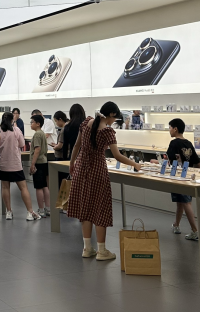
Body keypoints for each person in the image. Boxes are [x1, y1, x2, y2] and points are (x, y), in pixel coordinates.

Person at [68, 101, 141, 260]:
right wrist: (135, 164)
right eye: (115, 118)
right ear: (111, 115)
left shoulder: (86, 123)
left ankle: (87, 248)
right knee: (100, 208)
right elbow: (117, 156)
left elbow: (76, 146)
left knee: (85, 208)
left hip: (81, 169)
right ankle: (102, 251)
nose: (114, 121)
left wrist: (72, 163)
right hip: (97, 171)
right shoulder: (107, 132)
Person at [0, 112, 40, 221]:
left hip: (3, 163)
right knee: (23, 188)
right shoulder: (16, 130)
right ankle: (30, 212)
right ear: (12, 120)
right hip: (15, 164)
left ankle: (8, 211)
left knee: (5, 187)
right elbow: (22, 144)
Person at [167, 118, 200, 241]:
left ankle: (195, 231)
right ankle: (176, 225)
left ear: (175, 129)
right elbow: (197, 163)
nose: (169, 130)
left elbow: (170, 161)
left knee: (186, 202)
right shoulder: (189, 143)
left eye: (170, 128)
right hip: (189, 176)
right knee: (181, 201)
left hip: (178, 176)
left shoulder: (174, 143)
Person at [29, 115, 50, 217]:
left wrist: (33, 164)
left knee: (39, 187)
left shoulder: (37, 134)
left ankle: (41, 210)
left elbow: (37, 149)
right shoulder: (42, 133)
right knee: (45, 186)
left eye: (32, 122)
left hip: (38, 162)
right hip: (44, 161)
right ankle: (48, 209)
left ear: (38, 124)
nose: (31, 124)